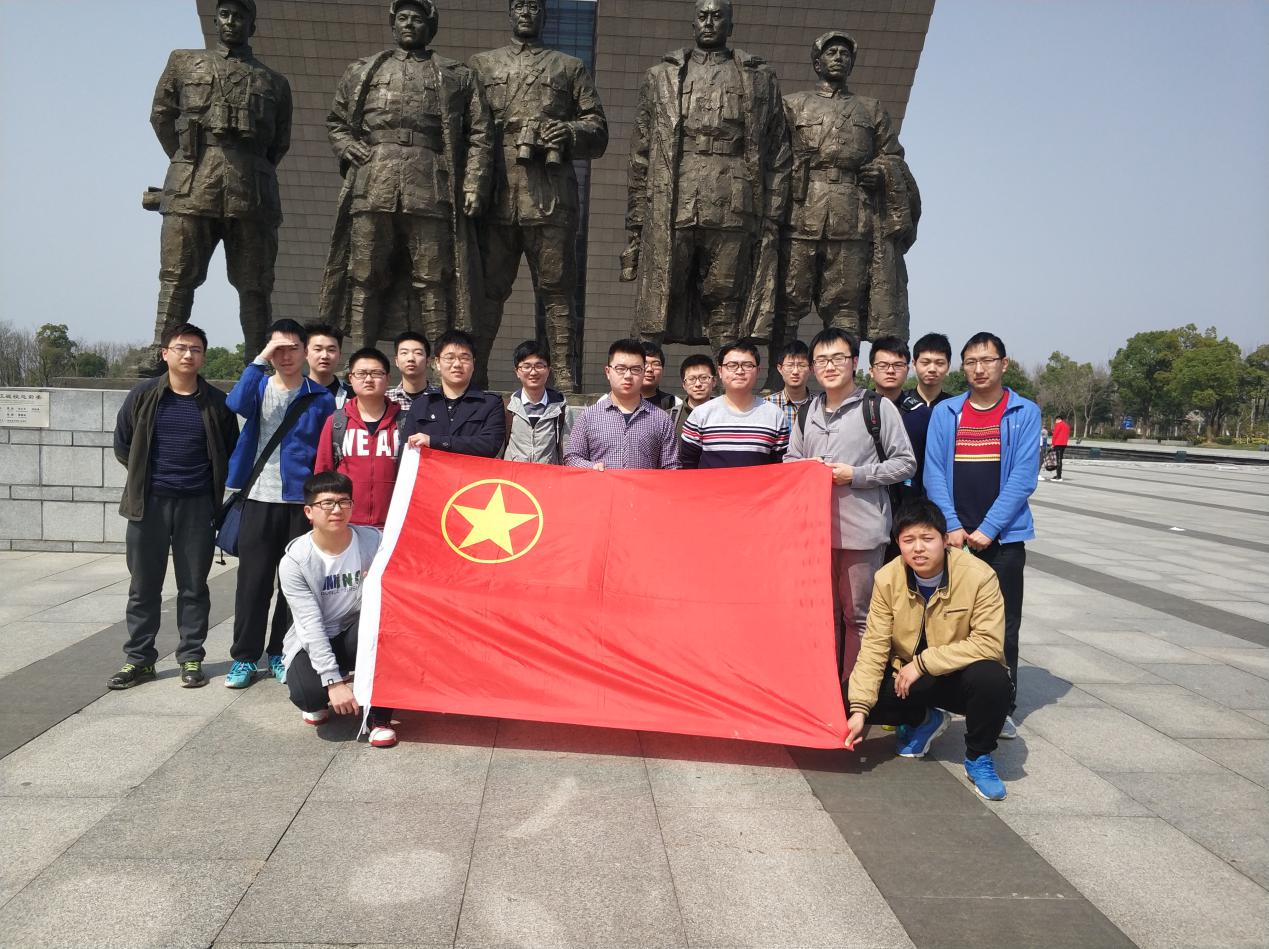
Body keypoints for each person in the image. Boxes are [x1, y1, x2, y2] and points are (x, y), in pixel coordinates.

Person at [319, 0, 492, 349]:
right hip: (374, 180)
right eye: (403, 17)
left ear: (431, 26)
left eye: (417, 18)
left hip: (430, 184)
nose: (409, 23)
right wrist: (346, 145)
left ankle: (440, 363)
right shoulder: (363, 70)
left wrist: (474, 182)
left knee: (433, 276)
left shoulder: (457, 74)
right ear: (393, 24)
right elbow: (337, 122)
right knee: (364, 273)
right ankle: (361, 359)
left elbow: (480, 133)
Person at [623, 0, 791, 350]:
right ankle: (644, 371)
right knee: (660, 288)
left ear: (731, 26)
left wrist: (772, 213)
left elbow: (778, 150)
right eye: (703, 16)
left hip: (734, 199)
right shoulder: (661, 75)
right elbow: (641, 152)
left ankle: (728, 373)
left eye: (718, 16)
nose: (710, 23)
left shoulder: (760, 77)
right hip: (675, 195)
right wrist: (637, 218)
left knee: (726, 295)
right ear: (693, 24)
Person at [468, 0, 608, 391]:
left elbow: (598, 131)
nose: (526, 13)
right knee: (487, 291)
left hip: (551, 194)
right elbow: (464, 129)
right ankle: (475, 373)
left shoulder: (568, 66)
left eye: (534, 6)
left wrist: (570, 132)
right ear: (509, 13)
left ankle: (563, 374)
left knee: (557, 289)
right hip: (497, 192)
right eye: (520, 6)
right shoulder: (481, 65)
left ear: (544, 14)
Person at [147, 0, 292, 364]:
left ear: (252, 25)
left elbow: (279, 144)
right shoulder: (183, 62)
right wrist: (186, 159)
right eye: (225, 14)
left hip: (251, 192)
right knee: (177, 275)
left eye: (240, 16)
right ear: (215, 21)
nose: (231, 21)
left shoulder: (275, 82)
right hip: (191, 185)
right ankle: (162, 350)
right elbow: (161, 117)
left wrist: (247, 164)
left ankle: (258, 359)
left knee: (255, 284)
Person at [844, 499, 1012, 801]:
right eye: (908, 540)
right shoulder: (887, 578)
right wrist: (859, 710)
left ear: (945, 540)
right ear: (898, 543)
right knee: (846, 700)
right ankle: (923, 718)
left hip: (959, 676)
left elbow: (988, 642)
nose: (918, 548)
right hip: (907, 677)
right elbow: (874, 646)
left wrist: (923, 663)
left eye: (927, 538)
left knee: (994, 680)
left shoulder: (979, 576)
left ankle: (979, 757)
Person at [108, 323, 239, 690]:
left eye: (195, 349)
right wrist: (146, 479)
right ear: (165, 353)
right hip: (147, 505)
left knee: (194, 586)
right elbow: (123, 445)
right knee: (143, 586)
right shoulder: (143, 395)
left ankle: (191, 656)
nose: (188, 355)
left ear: (203, 356)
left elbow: (230, 450)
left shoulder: (217, 403)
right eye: (180, 348)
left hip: (197, 506)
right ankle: (140, 659)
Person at [925, 331, 1040, 739]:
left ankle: (1000, 706)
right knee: (945, 623)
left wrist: (989, 528)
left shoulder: (1024, 412)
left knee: (1004, 626)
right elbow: (934, 471)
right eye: (971, 361)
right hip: (953, 539)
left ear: (1003, 364)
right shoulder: (948, 412)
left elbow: (1023, 476)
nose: (979, 369)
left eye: (987, 360)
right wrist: (952, 525)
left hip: (1003, 540)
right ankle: (943, 699)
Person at [775, 30, 919, 354]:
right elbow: (773, 157)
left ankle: (843, 373)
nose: (839, 57)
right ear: (817, 63)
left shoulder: (871, 109)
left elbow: (893, 156)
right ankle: (778, 373)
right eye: (831, 52)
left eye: (845, 53)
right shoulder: (793, 105)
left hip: (853, 218)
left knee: (845, 306)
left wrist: (881, 170)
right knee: (787, 302)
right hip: (800, 215)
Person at [785, 328, 914, 680]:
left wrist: (855, 475)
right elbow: (790, 459)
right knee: (823, 615)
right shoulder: (807, 411)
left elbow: (905, 463)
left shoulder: (877, 407)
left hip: (862, 533)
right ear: (813, 367)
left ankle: (854, 691)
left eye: (838, 358)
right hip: (816, 534)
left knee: (859, 616)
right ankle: (825, 687)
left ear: (854, 362)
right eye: (822, 360)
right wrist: (806, 468)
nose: (830, 366)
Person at [224, 319, 337, 689]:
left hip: (299, 503)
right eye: (278, 349)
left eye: (293, 348)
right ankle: (244, 656)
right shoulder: (257, 386)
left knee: (295, 585)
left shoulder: (319, 397)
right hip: (258, 497)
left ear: (305, 352)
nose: (286, 356)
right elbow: (234, 404)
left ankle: (280, 651)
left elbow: (324, 450)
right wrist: (260, 360)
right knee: (252, 583)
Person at [279, 471, 397, 748]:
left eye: (344, 502)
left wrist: (377, 584)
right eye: (327, 503)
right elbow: (309, 624)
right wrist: (333, 682)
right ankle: (331, 682)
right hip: (315, 639)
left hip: (358, 631)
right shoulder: (295, 562)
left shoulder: (373, 541)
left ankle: (378, 715)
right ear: (309, 512)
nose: (336, 510)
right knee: (308, 696)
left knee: (388, 630)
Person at [314, 348, 404, 529]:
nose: (368, 379)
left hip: (395, 525)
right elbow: (323, 474)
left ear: (388, 378)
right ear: (351, 378)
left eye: (376, 373)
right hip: (345, 524)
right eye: (361, 373)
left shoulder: (404, 422)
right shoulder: (337, 422)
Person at [566, 339, 680, 470]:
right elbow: (572, 457)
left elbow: (671, 467)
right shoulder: (588, 416)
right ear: (608, 372)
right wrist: (592, 467)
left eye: (635, 369)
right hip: (601, 483)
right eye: (620, 368)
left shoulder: (662, 419)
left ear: (643, 372)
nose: (628, 376)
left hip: (644, 484)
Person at [680, 340, 788, 468]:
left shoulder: (775, 415)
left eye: (747, 365)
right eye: (732, 365)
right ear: (720, 371)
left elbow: (781, 468)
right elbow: (687, 467)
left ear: (758, 371)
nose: (740, 371)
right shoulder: (700, 415)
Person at [403, 330, 505, 457]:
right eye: (450, 358)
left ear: (473, 363)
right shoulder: (421, 405)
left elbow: (490, 445)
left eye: (464, 358)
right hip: (431, 470)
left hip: (471, 470)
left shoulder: (490, 403)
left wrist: (434, 441)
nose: (457, 364)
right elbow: (407, 451)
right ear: (437, 363)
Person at [901, 332, 955, 500]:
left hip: (944, 490)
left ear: (948, 366)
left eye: (940, 363)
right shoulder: (900, 404)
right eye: (925, 363)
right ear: (914, 364)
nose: (932, 369)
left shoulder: (955, 408)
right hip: (904, 490)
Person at [503, 340, 573, 465]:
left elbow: (568, 454)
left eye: (539, 366)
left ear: (548, 370)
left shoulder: (561, 411)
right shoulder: (507, 409)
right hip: (513, 475)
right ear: (517, 372)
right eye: (526, 366)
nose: (533, 372)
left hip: (547, 476)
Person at [765, 340, 813, 432]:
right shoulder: (766, 405)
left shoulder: (819, 405)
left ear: (810, 369)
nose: (795, 371)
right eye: (790, 365)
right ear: (780, 368)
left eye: (801, 366)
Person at [869, 336, 923, 412]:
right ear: (871, 371)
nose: (890, 371)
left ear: (907, 371)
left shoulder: (921, 412)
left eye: (898, 365)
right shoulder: (857, 409)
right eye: (883, 365)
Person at [305, 323, 351, 408]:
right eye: (318, 349)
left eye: (331, 350)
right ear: (306, 353)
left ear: (339, 355)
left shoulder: (352, 395)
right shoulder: (293, 393)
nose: (325, 356)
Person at [673, 353, 717, 435]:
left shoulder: (725, 415)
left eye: (704, 378)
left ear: (714, 381)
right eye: (691, 379)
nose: (698, 384)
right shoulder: (670, 417)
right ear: (684, 384)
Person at [386, 331, 431, 411]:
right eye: (404, 353)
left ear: (428, 361)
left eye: (418, 353)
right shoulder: (385, 400)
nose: (410, 358)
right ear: (396, 361)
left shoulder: (441, 398)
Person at [640, 342, 682, 414]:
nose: (649, 369)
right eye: (644, 363)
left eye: (656, 364)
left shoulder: (675, 403)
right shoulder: (621, 401)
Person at [1051, 415, 1070, 482]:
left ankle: (1059, 476)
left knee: (1058, 460)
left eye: (1055, 420)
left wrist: (1053, 444)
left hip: (1058, 444)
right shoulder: (1066, 426)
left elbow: (1055, 435)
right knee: (1060, 459)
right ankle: (1058, 474)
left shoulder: (1058, 425)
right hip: (1064, 444)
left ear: (1058, 419)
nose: (1055, 422)